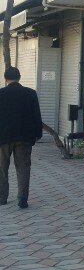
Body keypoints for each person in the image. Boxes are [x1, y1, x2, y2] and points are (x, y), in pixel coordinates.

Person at [0, 66, 43, 209]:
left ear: (5, 79)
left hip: (3, 138)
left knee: (2, 168)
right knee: (23, 167)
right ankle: (22, 199)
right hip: (24, 137)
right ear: (19, 77)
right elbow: (36, 115)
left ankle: (2, 198)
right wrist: (37, 134)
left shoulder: (1, 94)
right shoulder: (30, 93)